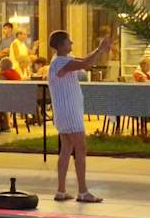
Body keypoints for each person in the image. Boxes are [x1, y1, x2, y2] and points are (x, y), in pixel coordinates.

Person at [47, 26, 115, 204]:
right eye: (68, 41)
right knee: (80, 149)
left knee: (66, 149)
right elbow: (85, 64)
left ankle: (61, 190)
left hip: (65, 111)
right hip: (69, 112)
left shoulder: (63, 60)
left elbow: (84, 61)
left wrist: (100, 51)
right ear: (60, 45)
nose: (72, 42)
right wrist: (99, 49)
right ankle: (83, 191)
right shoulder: (60, 62)